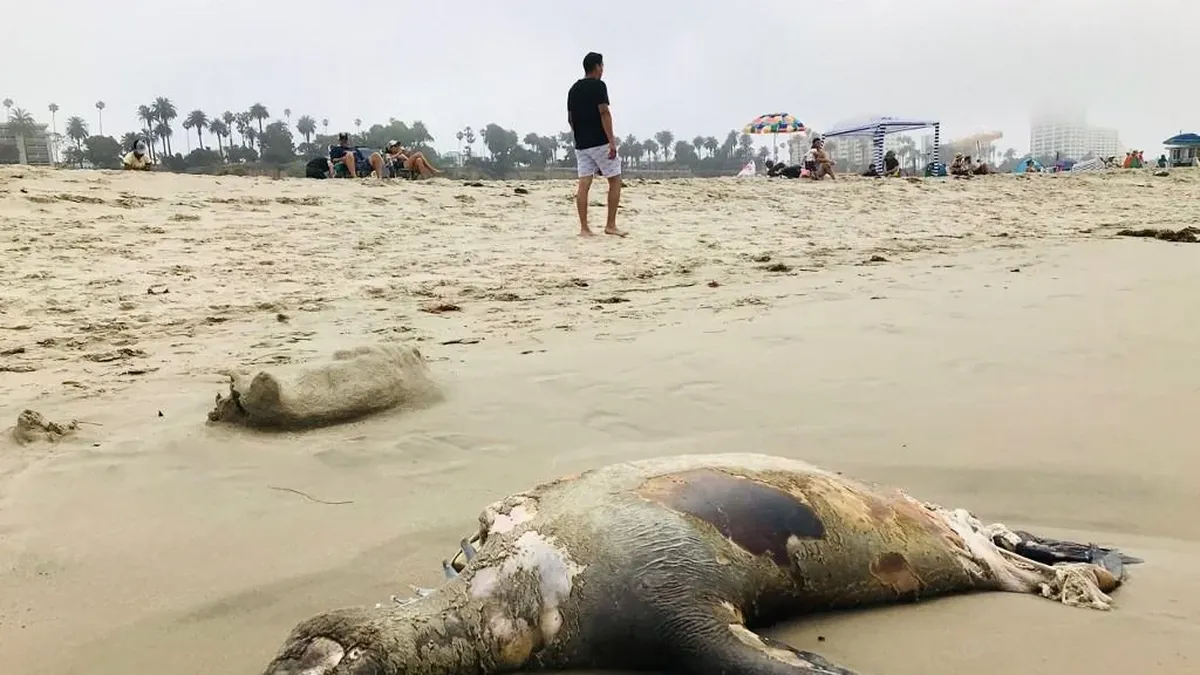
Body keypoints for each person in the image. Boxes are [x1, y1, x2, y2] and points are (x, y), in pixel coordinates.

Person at [567, 51, 624, 237]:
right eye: (602, 66)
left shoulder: (573, 89)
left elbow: (570, 119)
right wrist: (612, 142)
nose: (602, 70)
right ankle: (610, 225)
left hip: (581, 144)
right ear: (597, 67)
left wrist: (579, 137)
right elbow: (604, 113)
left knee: (584, 184)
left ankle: (584, 228)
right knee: (615, 180)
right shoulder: (599, 86)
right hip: (599, 142)